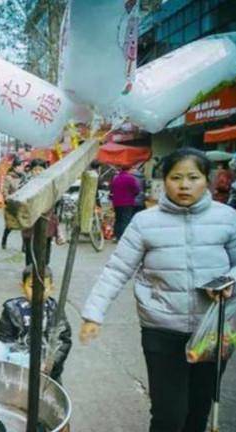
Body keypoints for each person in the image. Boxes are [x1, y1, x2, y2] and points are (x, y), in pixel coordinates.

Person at [80, 148, 236, 432]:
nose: (185, 185)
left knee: (199, 411)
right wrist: (93, 314)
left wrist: (229, 281)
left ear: (207, 180)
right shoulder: (145, 222)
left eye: (193, 177)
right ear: (164, 181)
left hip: (214, 330)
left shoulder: (227, 218)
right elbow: (116, 270)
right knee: (168, 415)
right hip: (162, 331)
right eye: (176, 177)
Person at [0, 265, 72, 382]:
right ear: (22, 287)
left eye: (43, 288)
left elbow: (63, 340)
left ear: (51, 288)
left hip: (47, 372)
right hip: (20, 367)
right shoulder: (12, 310)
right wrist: (19, 360)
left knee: (48, 395)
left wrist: (51, 362)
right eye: (32, 287)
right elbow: (5, 339)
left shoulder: (55, 311)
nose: (38, 292)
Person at [22, 159, 58, 266]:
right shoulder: (25, 183)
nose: (38, 172)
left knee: (45, 245)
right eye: (35, 170)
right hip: (30, 220)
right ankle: (29, 272)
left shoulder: (51, 183)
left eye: (40, 169)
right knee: (30, 246)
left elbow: (56, 200)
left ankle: (44, 268)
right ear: (31, 171)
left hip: (46, 218)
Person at [1, 156, 26, 250]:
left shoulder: (24, 176)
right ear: (15, 167)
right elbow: (5, 191)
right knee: (10, 226)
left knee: (24, 225)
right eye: (20, 166)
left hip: (22, 204)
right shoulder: (9, 177)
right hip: (12, 204)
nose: (22, 168)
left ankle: (24, 246)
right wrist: (8, 199)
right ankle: (4, 240)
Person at [109, 166, 140, 240]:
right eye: (132, 169)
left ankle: (117, 235)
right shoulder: (131, 178)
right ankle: (123, 237)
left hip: (116, 203)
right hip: (127, 202)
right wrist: (132, 195)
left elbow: (111, 190)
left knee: (118, 219)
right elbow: (137, 190)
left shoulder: (116, 178)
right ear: (129, 169)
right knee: (125, 220)